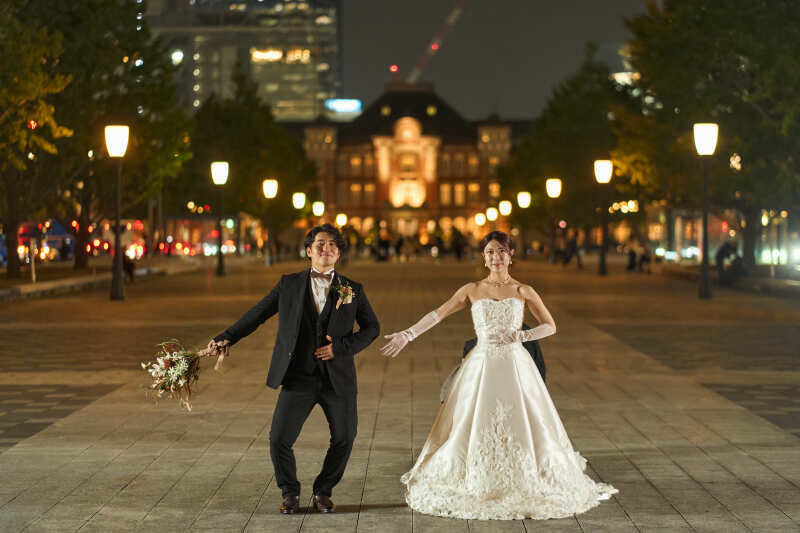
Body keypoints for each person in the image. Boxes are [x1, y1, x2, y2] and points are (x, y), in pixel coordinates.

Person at [381, 230, 617, 520]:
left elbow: (550, 325)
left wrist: (521, 335)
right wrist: (408, 334)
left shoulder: (523, 291)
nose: (496, 257)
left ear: (511, 255)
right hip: (480, 364)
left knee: (524, 418)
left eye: (501, 251)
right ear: (483, 256)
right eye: (490, 252)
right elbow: (438, 314)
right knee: (473, 417)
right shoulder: (472, 289)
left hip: (516, 365)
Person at [205, 224, 380, 515]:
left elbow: (372, 328)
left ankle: (323, 490)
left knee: (345, 437)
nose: (327, 249)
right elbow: (258, 314)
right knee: (279, 439)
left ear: (339, 253)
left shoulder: (352, 289)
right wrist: (226, 337)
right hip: (298, 375)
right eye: (321, 244)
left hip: (338, 378)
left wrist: (341, 347)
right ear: (309, 251)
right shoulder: (288, 285)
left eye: (333, 245)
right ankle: (290, 492)